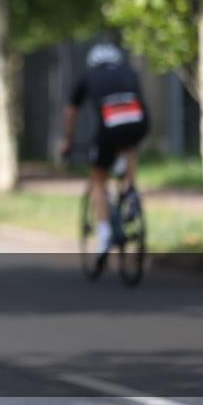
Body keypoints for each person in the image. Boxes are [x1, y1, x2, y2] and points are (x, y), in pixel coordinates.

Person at [59, 43, 149, 257]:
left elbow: (71, 112)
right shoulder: (130, 72)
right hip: (138, 122)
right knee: (129, 145)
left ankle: (104, 234)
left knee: (98, 179)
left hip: (110, 126)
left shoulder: (88, 75)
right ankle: (130, 190)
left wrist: (68, 141)